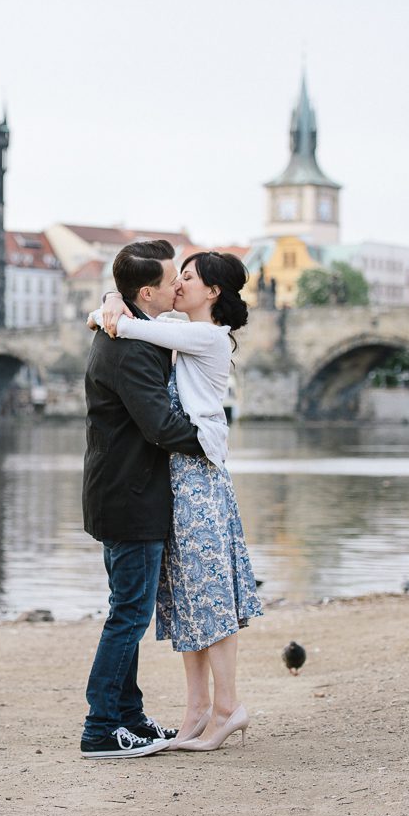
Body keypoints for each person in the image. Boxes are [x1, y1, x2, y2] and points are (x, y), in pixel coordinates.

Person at [94, 250, 263, 752]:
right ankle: (196, 711)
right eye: (177, 277)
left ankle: (227, 706)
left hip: (200, 478)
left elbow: (134, 328)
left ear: (212, 292)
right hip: (177, 476)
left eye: (188, 277)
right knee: (188, 594)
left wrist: (113, 310)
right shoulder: (176, 325)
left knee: (210, 593)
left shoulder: (205, 335)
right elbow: (127, 319)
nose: (180, 284)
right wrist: (109, 300)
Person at [80, 239, 207, 760]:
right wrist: (211, 437)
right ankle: (101, 726)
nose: (180, 284)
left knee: (127, 608)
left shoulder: (130, 326)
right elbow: (158, 425)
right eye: (173, 277)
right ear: (148, 291)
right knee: (129, 615)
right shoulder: (129, 346)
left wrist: (110, 297)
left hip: (124, 491)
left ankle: (127, 716)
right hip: (129, 495)